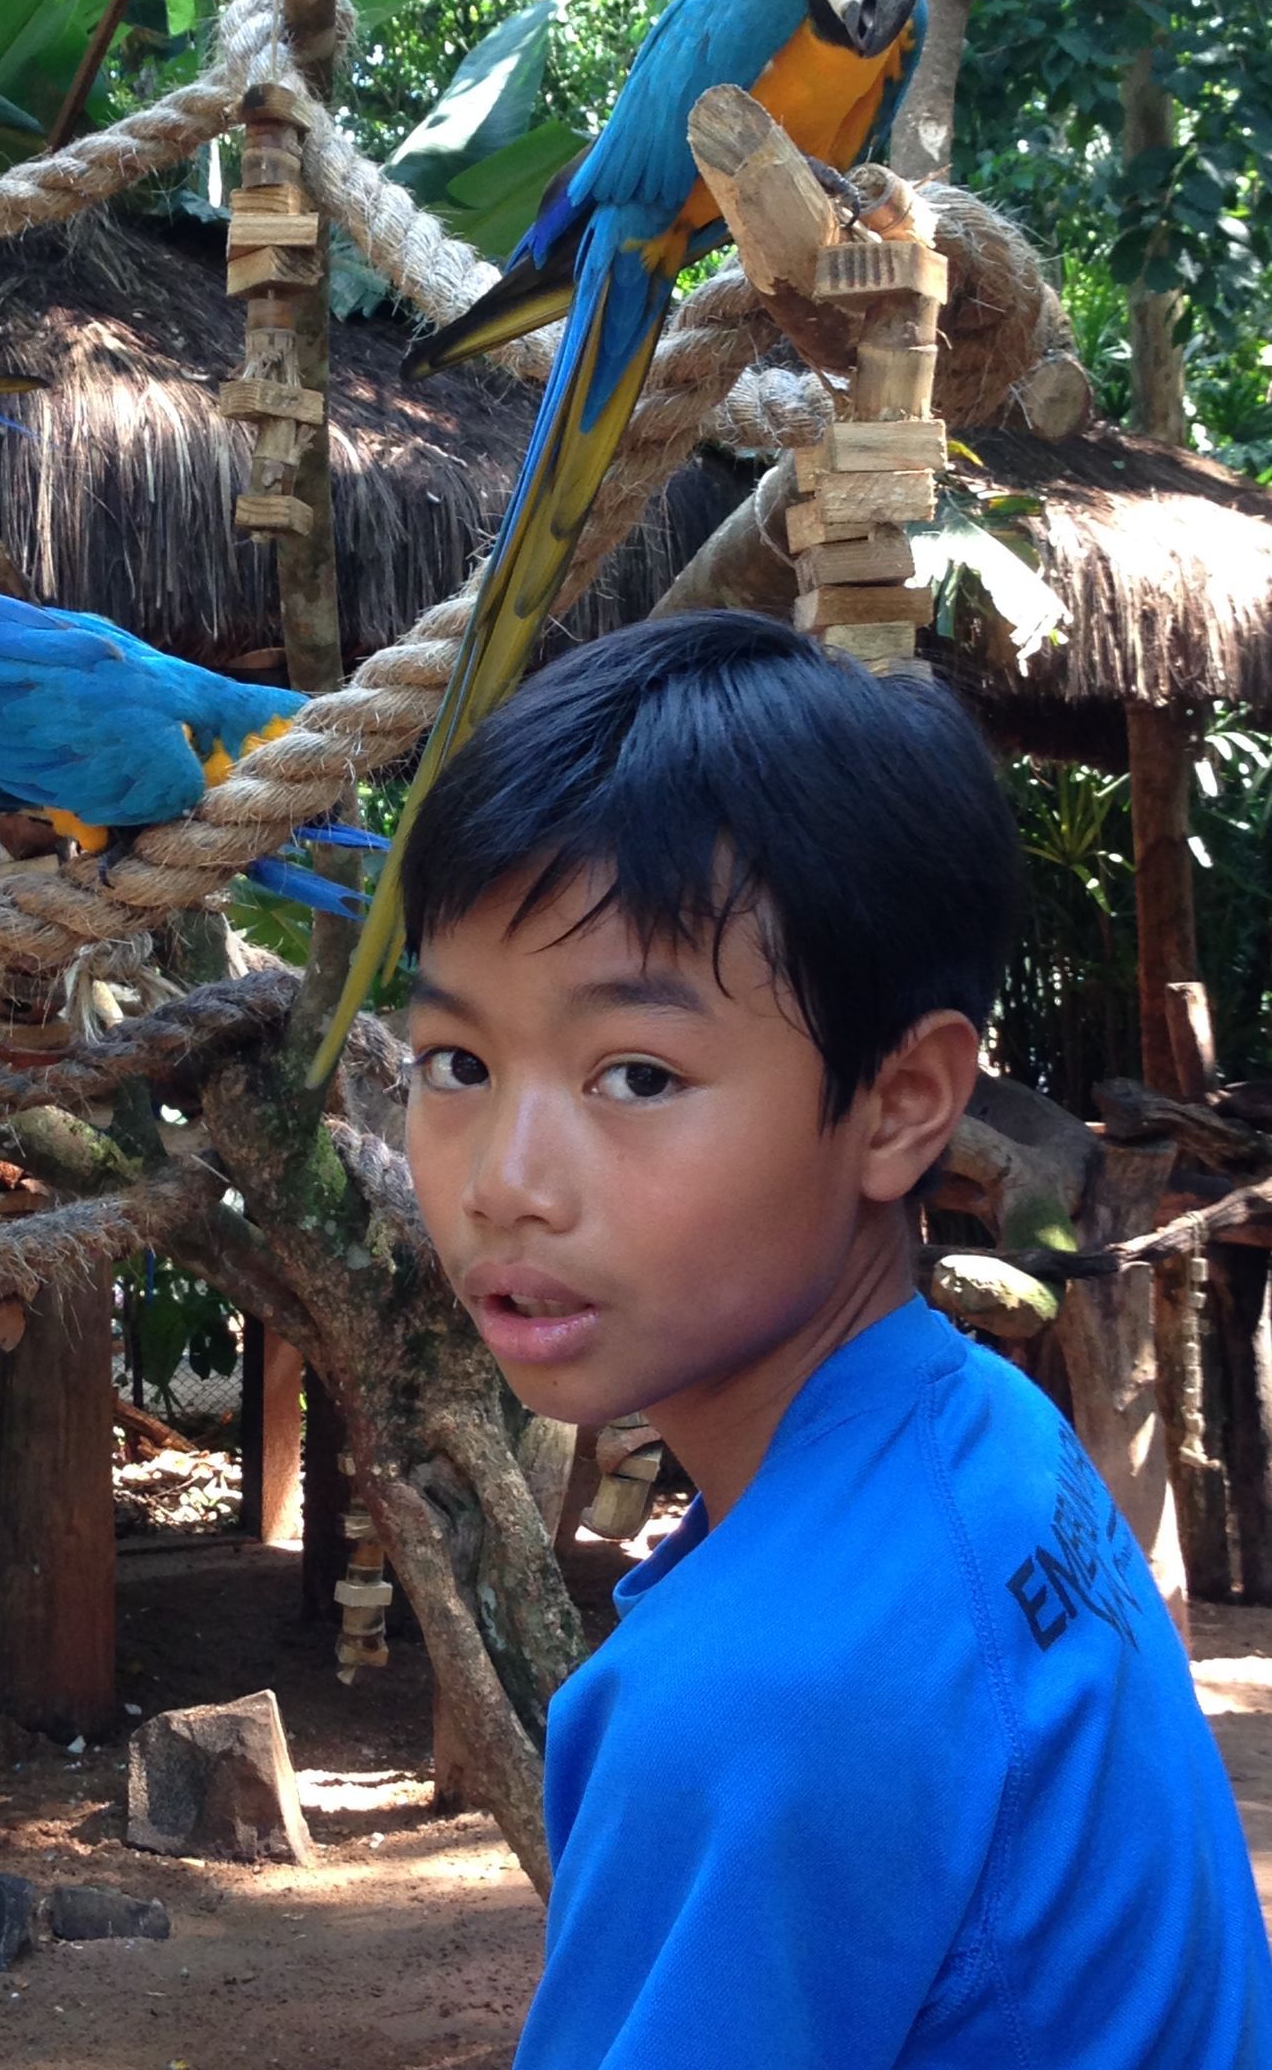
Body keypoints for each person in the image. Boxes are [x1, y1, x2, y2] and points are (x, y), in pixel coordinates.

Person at [399, 611, 1271, 2069]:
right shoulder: (988, 1431)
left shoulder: (755, 1709)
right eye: (456, 1062)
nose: (503, 1181)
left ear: (902, 1104)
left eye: (636, 1074)